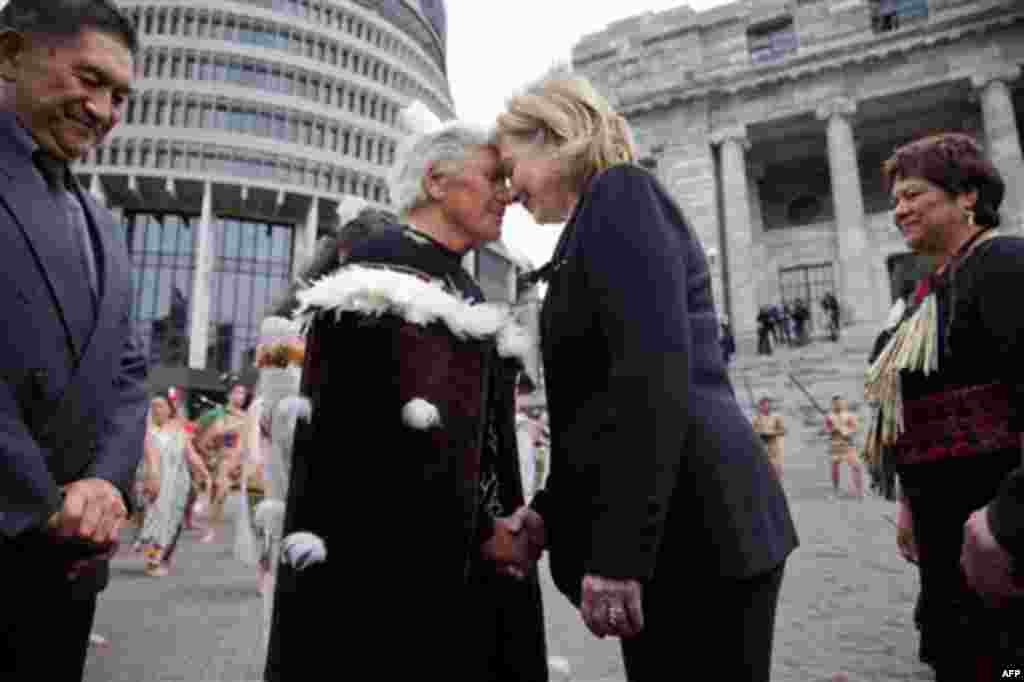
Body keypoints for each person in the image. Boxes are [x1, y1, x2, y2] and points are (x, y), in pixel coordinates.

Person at [496, 71, 797, 681]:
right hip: (684, 529)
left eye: (510, 166)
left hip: (700, 532)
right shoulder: (594, 221)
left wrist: (618, 557)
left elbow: (648, 378)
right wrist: (551, 514)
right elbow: (600, 411)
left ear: (553, 137)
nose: (507, 190)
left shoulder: (622, 193)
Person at [265, 113, 548, 681]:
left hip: (470, 583)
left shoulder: (464, 293)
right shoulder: (368, 283)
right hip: (382, 594)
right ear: (437, 182)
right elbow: (364, 460)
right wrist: (479, 533)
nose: (508, 195)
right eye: (493, 177)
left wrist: (506, 526)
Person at [0, 1, 148, 678]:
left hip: (64, 572)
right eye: (89, 80)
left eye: (118, 95)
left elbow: (127, 370)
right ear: (9, 55)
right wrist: (44, 499)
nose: (103, 110)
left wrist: (105, 484)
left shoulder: (99, 219)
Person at [863, 132, 1024, 679]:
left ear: (967, 196)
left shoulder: (1005, 264)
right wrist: (910, 499)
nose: (900, 211)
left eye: (912, 195)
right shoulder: (929, 289)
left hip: (997, 531)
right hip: (944, 536)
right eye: (895, 202)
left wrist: (1009, 520)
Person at [137, 394, 208, 577]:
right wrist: (152, 477)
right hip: (153, 483)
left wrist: (204, 473)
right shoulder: (145, 430)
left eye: (160, 406)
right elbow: (149, 457)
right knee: (153, 520)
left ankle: (163, 558)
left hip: (177, 483)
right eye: (153, 406)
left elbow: (191, 455)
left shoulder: (179, 431)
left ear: (170, 409)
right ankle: (152, 561)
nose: (156, 410)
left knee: (173, 521)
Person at [192, 381, 250, 544]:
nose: (241, 396)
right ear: (229, 395)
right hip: (222, 459)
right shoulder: (220, 413)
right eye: (237, 392)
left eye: (243, 393)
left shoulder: (247, 417)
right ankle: (209, 527)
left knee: (221, 495)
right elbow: (208, 435)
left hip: (239, 461)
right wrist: (210, 454)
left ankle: (211, 526)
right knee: (218, 493)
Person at [824, 396, 864, 499]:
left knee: (856, 466)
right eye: (836, 403)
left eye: (840, 403)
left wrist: (846, 431)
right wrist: (833, 429)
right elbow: (827, 430)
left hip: (848, 445)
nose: (838, 405)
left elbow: (856, 428)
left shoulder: (849, 416)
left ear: (844, 404)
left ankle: (859, 491)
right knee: (834, 468)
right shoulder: (829, 417)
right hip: (835, 445)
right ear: (833, 404)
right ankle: (835, 490)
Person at [751, 397, 786, 482]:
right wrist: (759, 435)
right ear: (760, 406)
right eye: (764, 405)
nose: (766, 407)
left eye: (768, 405)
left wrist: (772, 434)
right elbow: (751, 432)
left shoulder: (776, 417)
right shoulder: (756, 418)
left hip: (774, 448)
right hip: (762, 448)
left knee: (777, 471)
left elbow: (783, 431)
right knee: (764, 471)